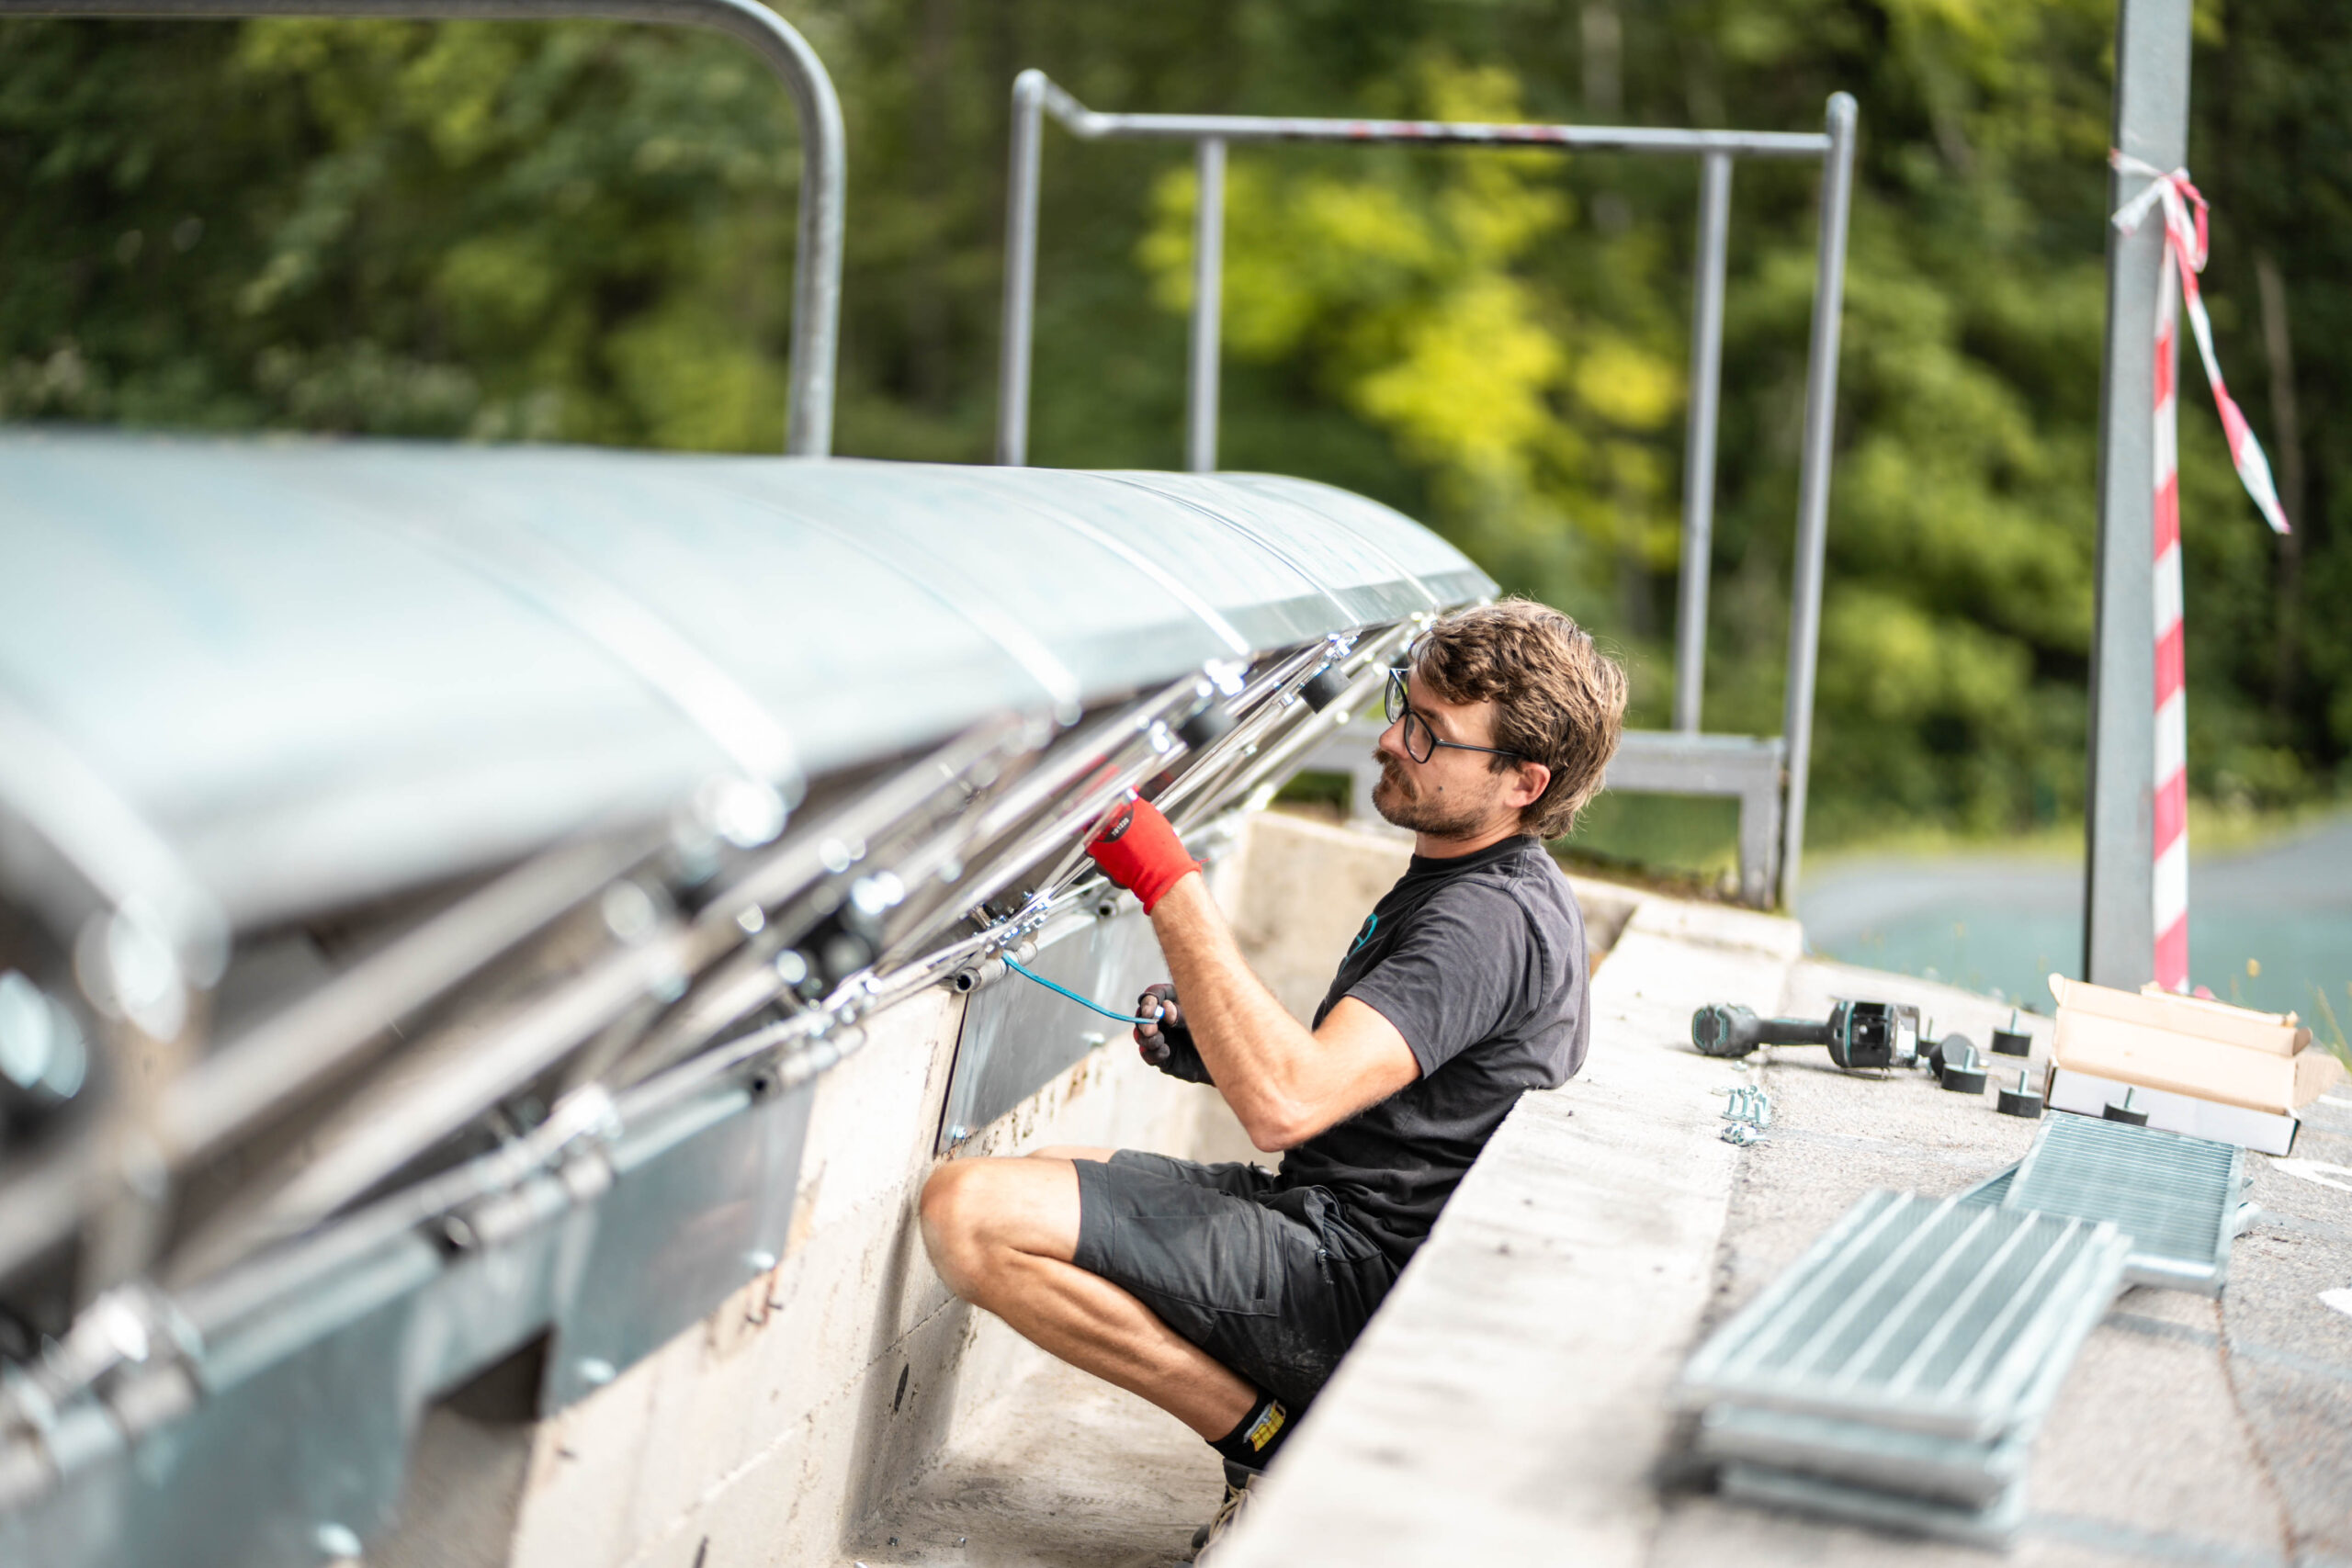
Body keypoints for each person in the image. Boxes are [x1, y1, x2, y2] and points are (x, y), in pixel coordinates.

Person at [918, 599, 1627, 1558]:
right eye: (1400, 707)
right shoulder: (1489, 888)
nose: (1390, 741)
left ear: (1520, 782)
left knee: (972, 1214)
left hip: (1360, 1277)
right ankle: (1271, 1429)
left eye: (1430, 736)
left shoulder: (1481, 922)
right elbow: (1355, 1087)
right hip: (1345, 1230)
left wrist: (1164, 876)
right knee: (1061, 1169)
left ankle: (1269, 1439)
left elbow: (1286, 1102)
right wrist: (1216, 1053)